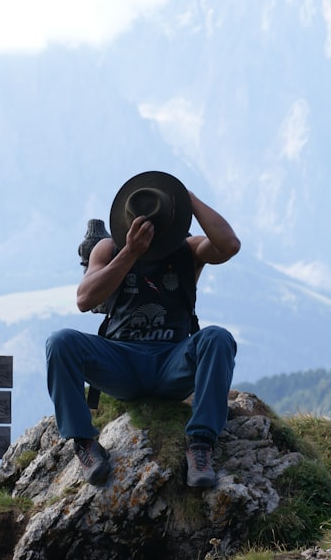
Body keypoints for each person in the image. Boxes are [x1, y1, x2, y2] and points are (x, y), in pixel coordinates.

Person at [45, 171, 241, 488]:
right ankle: (84, 443)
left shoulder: (188, 249)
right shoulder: (108, 248)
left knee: (218, 338)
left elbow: (229, 245)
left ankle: (200, 445)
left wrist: (186, 198)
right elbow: (84, 299)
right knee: (60, 342)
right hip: (120, 362)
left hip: (172, 362)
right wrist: (131, 252)